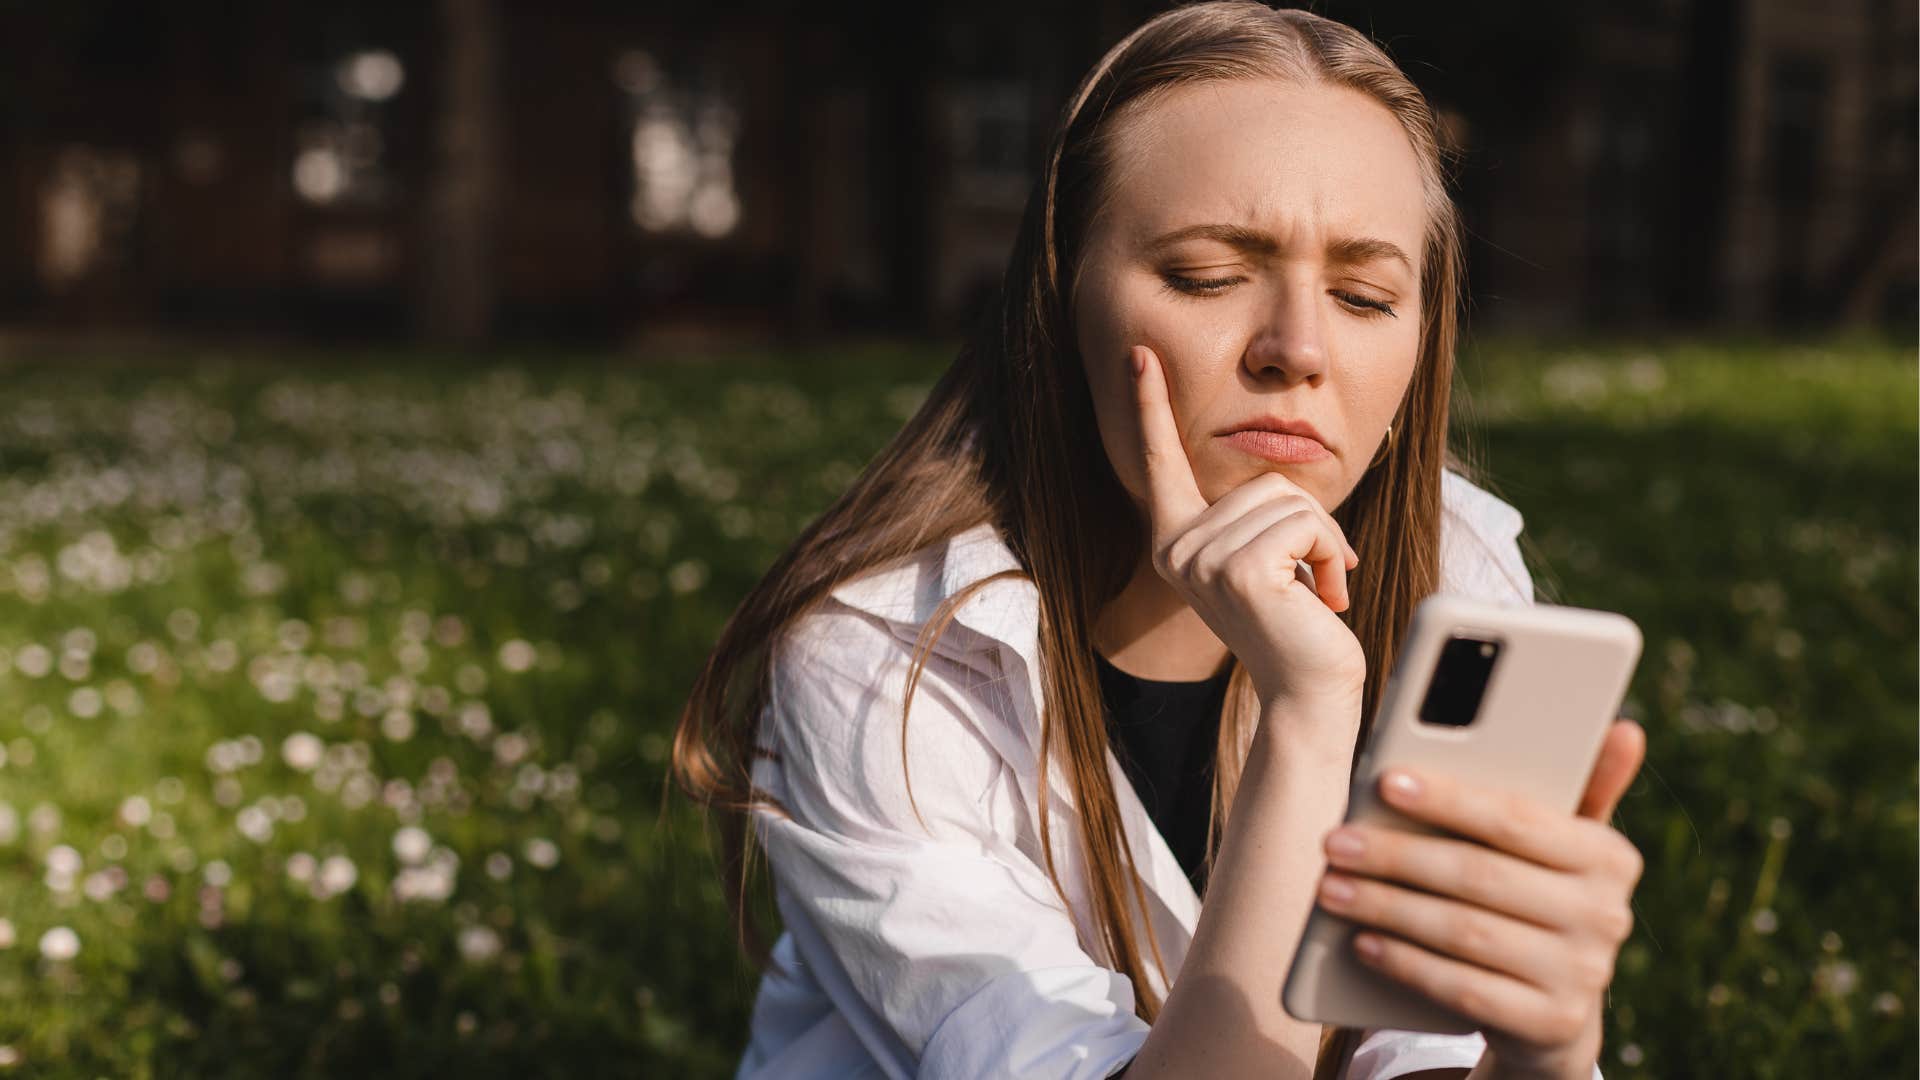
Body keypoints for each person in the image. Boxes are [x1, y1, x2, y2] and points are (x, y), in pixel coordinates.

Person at [672, 4, 1648, 1077]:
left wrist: (1542, 1052)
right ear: (1061, 298)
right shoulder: (885, 662)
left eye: (1367, 296)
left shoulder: (1462, 578)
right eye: (1206, 278)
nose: (1299, 350)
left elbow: (1428, 1049)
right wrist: (1311, 713)